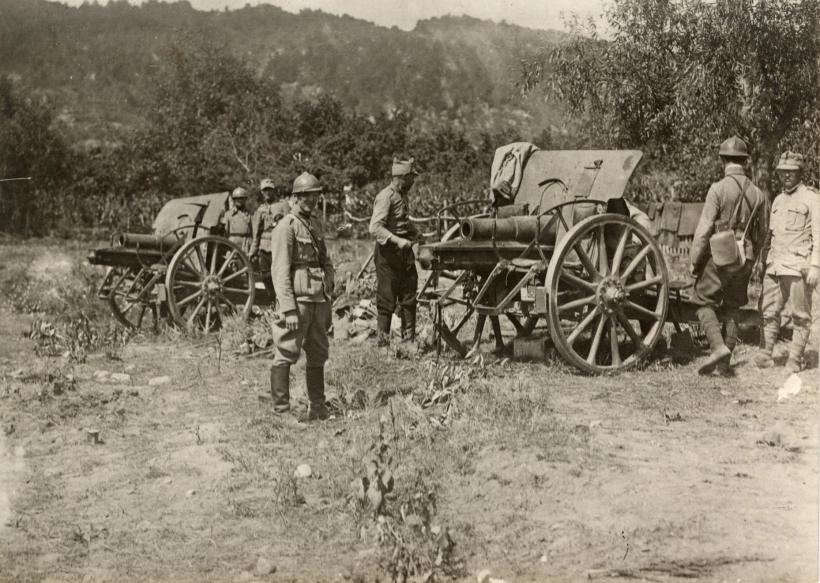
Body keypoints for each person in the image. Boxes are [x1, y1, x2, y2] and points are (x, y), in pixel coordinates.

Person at [689, 136, 767, 375]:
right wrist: (753, 258)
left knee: (702, 301)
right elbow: (762, 234)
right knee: (733, 305)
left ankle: (717, 346)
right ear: (745, 161)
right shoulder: (758, 193)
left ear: (722, 160)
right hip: (747, 256)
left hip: (720, 254)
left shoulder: (718, 189)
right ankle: (724, 365)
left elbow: (703, 231)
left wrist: (695, 261)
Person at [269, 172, 335, 421]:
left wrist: (329, 280)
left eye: (315, 196)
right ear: (295, 198)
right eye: (306, 196)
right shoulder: (286, 226)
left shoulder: (315, 223)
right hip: (298, 301)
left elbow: (325, 259)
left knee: (318, 353)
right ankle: (282, 412)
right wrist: (288, 308)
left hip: (318, 300)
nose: (312, 201)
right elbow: (280, 270)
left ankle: (317, 406)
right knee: (286, 351)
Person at [755, 151, 820, 373]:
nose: (786, 177)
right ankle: (766, 354)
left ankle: (794, 359)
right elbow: (771, 236)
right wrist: (763, 262)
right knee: (769, 311)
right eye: (783, 173)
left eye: (791, 172)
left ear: (800, 173)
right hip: (775, 265)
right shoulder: (778, 200)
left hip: (797, 266)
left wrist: (815, 266)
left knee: (800, 316)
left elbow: (819, 235)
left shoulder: (812, 199)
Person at [369, 157, 421, 346]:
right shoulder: (386, 196)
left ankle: (409, 342)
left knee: (409, 295)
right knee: (386, 298)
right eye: (411, 178)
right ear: (403, 177)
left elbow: (401, 222)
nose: (414, 182)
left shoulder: (402, 195)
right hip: (387, 254)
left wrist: (415, 232)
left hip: (404, 253)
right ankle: (383, 345)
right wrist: (398, 240)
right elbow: (375, 228)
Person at [251, 178, 290, 302]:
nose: (267, 193)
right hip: (264, 247)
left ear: (274, 191)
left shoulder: (283, 205)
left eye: (270, 190)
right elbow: (257, 233)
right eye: (265, 190)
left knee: (280, 275)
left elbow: (290, 226)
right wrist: (253, 250)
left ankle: (282, 301)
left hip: (279, 246)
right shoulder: (260, 209)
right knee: (266, 276)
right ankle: (272, 300)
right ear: (262, 192)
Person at [222, 187, 253, 255]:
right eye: (237, 199)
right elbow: (224, 233)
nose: (239, 201)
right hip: (233, 245)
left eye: (241, 198)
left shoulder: (251, 214)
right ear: (233, 200)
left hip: (247, 244)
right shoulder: (228, 214)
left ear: (245, 199)